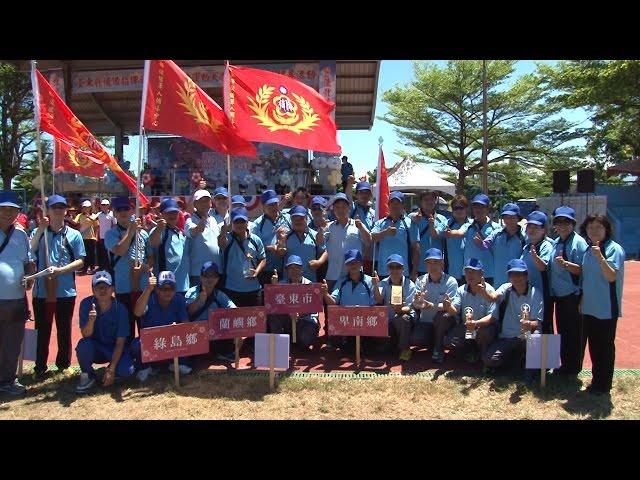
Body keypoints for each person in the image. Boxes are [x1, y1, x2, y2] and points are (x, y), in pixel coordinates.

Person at [30, 194, 86, 377]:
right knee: (42, 329)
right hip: (42, 291)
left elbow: (80, 261)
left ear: (66, 211)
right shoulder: (39, 232)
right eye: (54, 207)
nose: (58, 211)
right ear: (47, 211)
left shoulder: (74, 234)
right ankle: (39, 366)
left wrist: (62, 270)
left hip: (65, 291)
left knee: (64, 328)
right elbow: (29, 250)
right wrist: (40, 229)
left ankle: (63, 364)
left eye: (62, 207)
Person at [579, 214, 625, 395]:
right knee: (594, 346)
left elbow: (611, 276)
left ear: (607, 229)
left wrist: (600, 257)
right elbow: (586, 278)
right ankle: (596, 380)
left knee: (604, 347)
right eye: (590, 227)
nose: (594, 231)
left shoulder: (614, 249)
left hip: (606, 308)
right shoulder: (588, 250)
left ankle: (604, 384)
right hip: (590, 307)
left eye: (598, 227)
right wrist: (582, 299)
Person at [75, 271, 135, 393]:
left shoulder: (120, 309)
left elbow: (120, 342)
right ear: (93, 290)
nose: (102, 290)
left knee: (128, 371)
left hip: (113, 348)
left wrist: (112, 369)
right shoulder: (86, 304)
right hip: (95, 347)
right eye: (98, 287)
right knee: (83, 346)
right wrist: (91, 321)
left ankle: (111, 373)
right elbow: (85, 335)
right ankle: (88, 375)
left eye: (106, 287)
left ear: (112, 289)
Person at [0, 191, 35, 396]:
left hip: (15, 299)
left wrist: (30, 275)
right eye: (3, 209)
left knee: (12, 342)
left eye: (12, 210)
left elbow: (29, 262)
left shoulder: (21, 235)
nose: (7, 213)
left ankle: (7, 380)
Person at [482, 259, 544, 373]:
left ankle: (529, 371)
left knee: (536, 336)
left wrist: (528, 324)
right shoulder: (506, 288)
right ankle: (517, 362)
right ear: (509, 277)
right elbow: (493, 298)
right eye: (513, 274)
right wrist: (484, 292)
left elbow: (538, 323)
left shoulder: (536, 293)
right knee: (488, 360)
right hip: (507, 337)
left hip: (526, 337)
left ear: (526, 275)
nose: (516, 278)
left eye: (520, 274)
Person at [548, 206, 588, 376]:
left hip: (573, 295)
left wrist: (566, 264)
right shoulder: (556, 242)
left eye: (566, 222)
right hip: (559, 296)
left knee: (575, 333)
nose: (562, 225)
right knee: (563, 331)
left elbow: (583, 270)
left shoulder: (578, 242)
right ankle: (565, 365)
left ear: (573, 223)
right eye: (558, 221)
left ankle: (573, 367)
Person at [104, 197, 151, 338]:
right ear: (114, 213)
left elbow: (151, 256)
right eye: (119, 210)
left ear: (132, 210)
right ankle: (128, 357)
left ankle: (146, 358)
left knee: (145, 325)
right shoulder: (111, 234)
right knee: (126, 327)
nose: (123, 212)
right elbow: (120, 250)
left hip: (143, 287)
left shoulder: (143, 234)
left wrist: (145, 267)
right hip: (123, 287)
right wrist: (130, 232)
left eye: (126, 209)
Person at [132, 270, 192, 381]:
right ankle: (145, 368)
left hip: (171, 341)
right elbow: (137, 312)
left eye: (171, 288)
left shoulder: (179, 299)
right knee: (136, 345)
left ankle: (176, 364)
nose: (168, 292)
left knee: (188, 339)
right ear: (157, 289)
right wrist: (148, 289)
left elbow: (186, 324)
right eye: (164, 289)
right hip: (152, 342)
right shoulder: (149, 298)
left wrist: (179, 328)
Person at [443, 258, 497, 362]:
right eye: (467, 271)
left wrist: (476, 323)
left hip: (483, 327)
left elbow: (493, 317)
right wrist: (448, 306)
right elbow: (454, 310)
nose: (469, 275)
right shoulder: (461, 289)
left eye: (473, 272)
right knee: (449, 341)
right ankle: (469, 352)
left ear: (481, 273)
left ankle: (483, 356)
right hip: (467, 327)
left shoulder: (489, 290)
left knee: (485, 333)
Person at [321, 249, 376, 351]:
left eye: (355, 262)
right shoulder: (341, 281)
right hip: (346, 323)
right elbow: (333, 302)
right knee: (347, 349)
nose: (353, 265)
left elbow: (375, 304)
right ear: (346, 265)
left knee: (368, 349)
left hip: (365, 324)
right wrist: (325, 293)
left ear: (361, 263)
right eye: (350, 263)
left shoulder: (370, 281)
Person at [412, 248, 459, 363]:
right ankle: (433, 342)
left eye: (436, 262)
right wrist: (418, 302)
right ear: (425, 264)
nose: (432, 266)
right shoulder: (420, 281)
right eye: (429, 262)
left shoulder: (451, 281)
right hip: (426, 322)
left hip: (446, 323)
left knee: (442, 317)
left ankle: (439, 348)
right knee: (415, 339)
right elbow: (416, 305)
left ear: (442, 263)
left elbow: (449, 307)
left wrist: (430, 305)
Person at [185, 261, 236, 362]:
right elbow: (187, 313)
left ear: (217, 279)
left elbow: (234, 310)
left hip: (214, 332)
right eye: (206, 275)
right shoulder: (191, 292)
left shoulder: (219, 294)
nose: (210, 279)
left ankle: (223, 353)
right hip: (196, 332)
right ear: (201, 277)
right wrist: (199, 300)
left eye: (213, 276)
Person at [268, 255, 320, 349]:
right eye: (290, 268)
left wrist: (299, 314)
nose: (294, 271)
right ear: (287, 271)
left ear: (302, 269)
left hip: (305, 320)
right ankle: (281, 344)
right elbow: (273, 305)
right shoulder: (281, 284)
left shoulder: (310, 285)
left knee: (305, 341)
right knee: (272, 316)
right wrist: (274, 287)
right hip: (288, 319)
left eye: (297, 268)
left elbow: (313, 308)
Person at [447, 193, 500, 286]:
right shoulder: (468, 225)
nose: (478, 210)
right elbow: (460, 233)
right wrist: (449, 233)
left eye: (482, 207)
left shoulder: (497, 228)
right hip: (468, 274)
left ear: (487, 209)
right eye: (476, 206)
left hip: (488, 273)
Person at [218, 207, 266, 307]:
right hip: (231, 289)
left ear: (247, 222)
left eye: (242, 221)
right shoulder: (228, 238)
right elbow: (221, 244)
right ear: (232, 223)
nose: (239, 225)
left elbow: (263, 259)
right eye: (236, 222)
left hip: (254, 289)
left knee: (254, 320)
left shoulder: (256, 240)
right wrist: (223, 231)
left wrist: (256, 271)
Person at [323, 193, 371, 293]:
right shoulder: (329, 226)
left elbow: (368, 241)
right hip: (333, 274)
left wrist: (361, 227)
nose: (340, 210)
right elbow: (320, 243)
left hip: (354, 273)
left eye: (343, 207)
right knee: (332, 305)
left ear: (349, 208)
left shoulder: (357, 224)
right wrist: (320, 228)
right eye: (337, 207)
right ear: (333, 209)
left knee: (353, 304)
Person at [373, 254, 416, 361]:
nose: (395, 270)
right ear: (388, 269)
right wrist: (375, 286)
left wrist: (400, 309)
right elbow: (378, 300)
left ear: (403, 269)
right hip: (389, 320)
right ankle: (391, 345)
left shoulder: (410, 285)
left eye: (398, 267)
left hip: (406, 320)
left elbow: (410, 308)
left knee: (403, 318)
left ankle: (405, 349)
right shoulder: (383, 283)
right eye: (392, 267)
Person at [371, 191, 420, 280]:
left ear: (403, 205)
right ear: (388, 205)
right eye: (392, 203)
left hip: (403, 271)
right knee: (385, 294)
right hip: (384, 271)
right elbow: (372, 238)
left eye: (398, 203)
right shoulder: (380, 223)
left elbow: (416, 249)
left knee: (398, 294)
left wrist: (414, 271)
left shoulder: (410, 223)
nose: (394, 205)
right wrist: (386, 232)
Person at [477, 203, 526, 288]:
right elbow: (485, 245)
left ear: (518, 218)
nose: (509, 220)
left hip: (517, 282)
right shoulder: (496, 233)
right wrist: (481, 243)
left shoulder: (524, 237)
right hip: (498, 282)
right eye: (506, 217)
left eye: (512, 217)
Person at [520, 211, 554, 333]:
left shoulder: (546, 245)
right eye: (529, 226)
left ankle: (546, 353)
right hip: (528, 294)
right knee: (528, 326)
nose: (532, 230)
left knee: (544, 328)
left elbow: (543, 267)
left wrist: (535, 255)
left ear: (544, 230)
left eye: (536, 227)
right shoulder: (527, 246)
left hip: (543, 294)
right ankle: (530, 352)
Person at [149, 198, 190, 295]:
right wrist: (159, 229)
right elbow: (153, 242)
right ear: (162, 214)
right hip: (165, 287)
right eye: (169, 213)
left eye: (175, 212)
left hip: (183, 286)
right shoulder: (158, 230)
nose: (173, 215)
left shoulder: (180, 232)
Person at [251, 190, 291, 285]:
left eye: (275, 203)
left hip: (286, 270)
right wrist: (272, 248)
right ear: (264, 206)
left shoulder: (287, 218)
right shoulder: (257, 224)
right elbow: (254, 246)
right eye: (270, 205)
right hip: (266, 270)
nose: (274, 207)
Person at [185, 189, 221, 288]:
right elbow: (195, 230)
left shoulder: (213, 219)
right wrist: (202, 221)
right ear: (195, 204)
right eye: (201, 201)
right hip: (198, 273)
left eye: (207, 200)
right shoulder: (189, 220)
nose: (205, 203)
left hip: (215, 271)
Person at [283, 206, 327, 282]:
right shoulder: (285, 236)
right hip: (289, 282)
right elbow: (279, 251)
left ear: (307, 219)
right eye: (294, 219)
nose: (298, 221)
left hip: (310, 281)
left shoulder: (315, 235)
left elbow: (325, 251)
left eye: (301, 219)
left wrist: (319, 262)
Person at [409, 191, 448, 278]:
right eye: (426, 199)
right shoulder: (412, 217)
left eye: (431, 199)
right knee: (415, 291)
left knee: (434, 290)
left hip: (436, 267)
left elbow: (435, 235)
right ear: (421, 202)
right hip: (417, 266)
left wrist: (431, 226)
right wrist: (412, 221)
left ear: (435, 201)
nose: (429, 202)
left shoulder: (442, 219)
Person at [346, 181, 376, 273]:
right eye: (361, 192)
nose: (364, 195)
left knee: (369, 283)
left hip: (371, 257)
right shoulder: (351, 209)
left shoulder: (374, 213)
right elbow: (347, 196)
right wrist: (350, 183)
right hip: (354, 257)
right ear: (356, 194)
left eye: (367, 193)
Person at [443, 195, 471, 284]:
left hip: (471, 273)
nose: (458, 210)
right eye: (455, 208)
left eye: (461, 208)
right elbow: (435, 234)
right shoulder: (446, 224)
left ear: (466, 208)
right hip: (452, 272)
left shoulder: (474, 224)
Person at [75, 200, 99, 275]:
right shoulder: (79, 215)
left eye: (87, 207)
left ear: (90, 208)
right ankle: (84, 269)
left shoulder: (93, 216)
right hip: (82, 237)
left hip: (91, 238)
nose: (86, 209)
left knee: (91, 254)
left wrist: (96, 236)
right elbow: (75, 222)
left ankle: (92, 268)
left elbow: (97, 225)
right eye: (84, 207)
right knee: (84, 254)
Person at [96, 198, 117, 270]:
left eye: (105, 205)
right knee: (102, 253)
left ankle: (110, 267)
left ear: (108, 206)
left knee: (110, 253)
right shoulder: (99, 214)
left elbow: (115, 224)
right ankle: (102, 267)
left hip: (110, 237)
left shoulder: (112, 214)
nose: (104, 206)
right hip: (101, 237)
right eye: (102, 205)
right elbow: (92, 219)